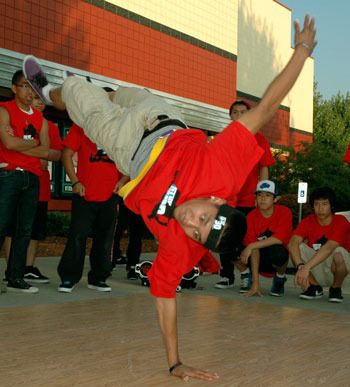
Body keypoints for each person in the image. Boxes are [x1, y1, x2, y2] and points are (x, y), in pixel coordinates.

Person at [23, 15, 316, 380]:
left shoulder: (181, 246)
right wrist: (302, 51)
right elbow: (267, 108)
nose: (189, 222)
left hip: (128, 146)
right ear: (218, 201)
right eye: (203, 218)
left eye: (197, 233)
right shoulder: (222, 170)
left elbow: (166, 299)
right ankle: (84, 95)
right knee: (116, 95)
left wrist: (175, 362)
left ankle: (50, 93)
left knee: (80, 96)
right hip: (163, 116)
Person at [215, 100, 275, 291]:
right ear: (230, 116)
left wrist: (262, 195)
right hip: (226, 196)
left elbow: (264, 167)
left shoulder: (260, 139)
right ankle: (227, 275)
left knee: (243, 238)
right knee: (222, 236)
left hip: (249, 198)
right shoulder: (223, 138)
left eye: (243, 112)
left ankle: (246, 274)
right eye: (235, 112)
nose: (239, 115)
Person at [4, 94, 62, 284]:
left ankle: (24, 270)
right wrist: (36, 148)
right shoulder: (9, 114)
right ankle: (11, 271)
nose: (38, 101)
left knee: (30, 230)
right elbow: (9, 144)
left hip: (37, 184)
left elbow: (53, 154)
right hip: (11, 177)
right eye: (34, 97)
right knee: (7, 227)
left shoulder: (49, 125)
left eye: (41, 99)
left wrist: (20, 147)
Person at [0, 70, 49, 293]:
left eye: (32, 88)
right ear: (13, 88)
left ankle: (15, 277)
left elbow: (46, 149)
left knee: (24, 230)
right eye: (24, 86)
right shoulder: (4, 111)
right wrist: (33, 144)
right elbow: (8, 145)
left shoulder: (40, 118)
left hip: (32, 178)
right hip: (8, 176)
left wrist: (21, 142)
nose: (30, 92)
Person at [57, 123, 121, 292]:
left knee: (105, 239)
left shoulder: (119, 130)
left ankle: (98, 278)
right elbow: (66, 154)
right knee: (77, 236)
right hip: (84, 194)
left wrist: (122, 181)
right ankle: (68, 278)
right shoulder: (81, 127)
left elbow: (129, 160)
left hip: (110, 195)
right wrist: (75, 181)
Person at [288, 187, 350, 303]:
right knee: (298, 247)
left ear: (331, 205)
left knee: (339, 252)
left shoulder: (341, 221)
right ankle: (314, 287)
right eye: (317, 204)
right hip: (317, 269)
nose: (320, 208)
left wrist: (306, 267)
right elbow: (293, 242)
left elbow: (330, 247)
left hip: (339, 271)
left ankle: (336, 289)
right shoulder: (308, 221)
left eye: (325, 204)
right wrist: (300, 266)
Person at [239, 180, 292, 297]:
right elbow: (253, 249)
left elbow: (279, 239)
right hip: (258, 257)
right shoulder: (251, 216)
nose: (263, 199)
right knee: (231, 246)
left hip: (275, 256)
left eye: (267, 195)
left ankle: (280, 278)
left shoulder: (285, 212)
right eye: (259, 195)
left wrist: (252, 245)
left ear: (275, 199)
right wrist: (256, 284)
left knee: (279, 252)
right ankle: (246, 275)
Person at [112, 196, 145, 280]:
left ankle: (132, 266)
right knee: (116, 230)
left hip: (138, 198)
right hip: (122, 196)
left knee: (136, 234)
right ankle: (111, 261)